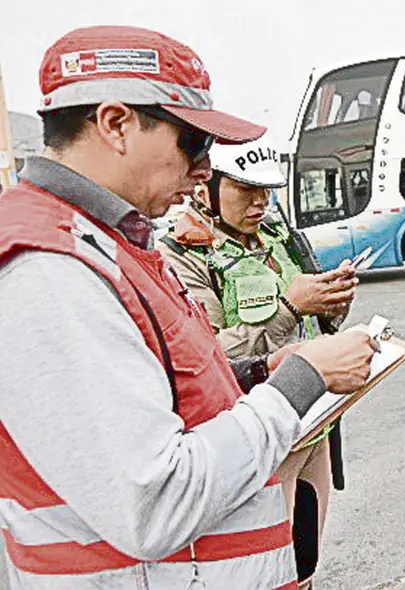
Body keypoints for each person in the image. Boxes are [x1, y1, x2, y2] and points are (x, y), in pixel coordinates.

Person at [0, 25, 377, 589]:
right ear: (116, 124)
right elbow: (154, 501)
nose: (203, 170)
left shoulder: (110, 245)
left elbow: (167, 387)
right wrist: (300, 379)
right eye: (193, 143)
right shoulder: (47, 269)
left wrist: (256, 373)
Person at [157, 136, 356, 588]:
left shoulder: (278, 238)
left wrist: (333, 299)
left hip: (315, 422)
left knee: (306, 557)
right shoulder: (184, 255)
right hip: (257, 433)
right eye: (245, 190)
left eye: (265, 192)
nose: (259, 202)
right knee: (268, 565)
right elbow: (209, 353)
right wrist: (290, 306)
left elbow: (315, 322)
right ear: (206, 189)